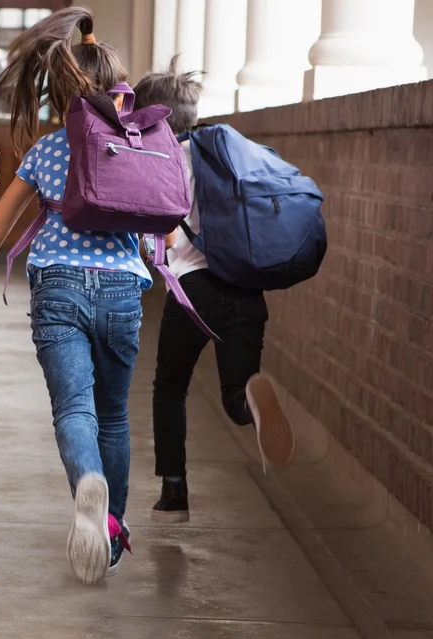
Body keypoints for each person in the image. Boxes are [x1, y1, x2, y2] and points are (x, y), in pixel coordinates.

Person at [0, 7, 141, 584]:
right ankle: (113, 527)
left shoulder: (47, 152)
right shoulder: (142, 145)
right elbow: (167, 228)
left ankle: (86, 484)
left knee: (73, 408)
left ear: (61, 93)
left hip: (58, 289)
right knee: (114, 415)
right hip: (124, 288)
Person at [132, 65, 295, 524]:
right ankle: (252, 406)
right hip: (245, 289)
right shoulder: (224, 155)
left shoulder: (161, 164)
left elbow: (160, 241)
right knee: (232, 394)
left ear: (153, 120)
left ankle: (174, 495)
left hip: (193, 293)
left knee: (170, 386)